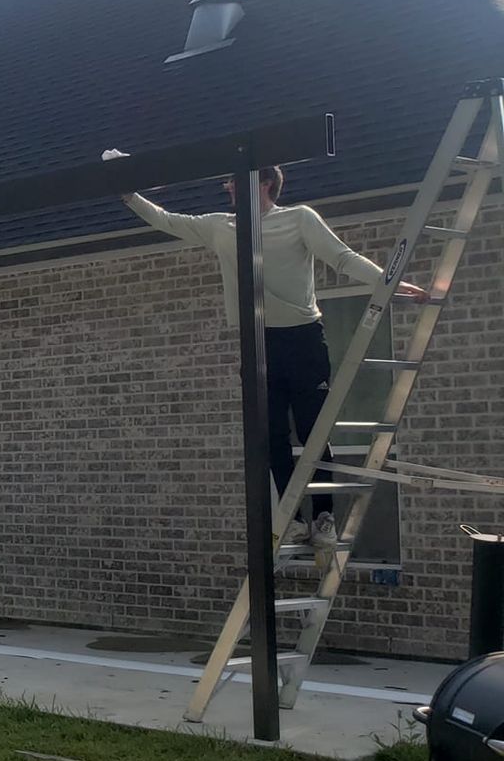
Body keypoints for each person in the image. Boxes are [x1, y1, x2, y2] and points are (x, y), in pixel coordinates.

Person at [121, 165, 424, 550]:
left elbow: (343, 259)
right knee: (272, 437)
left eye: (234, 179)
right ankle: (293, 520)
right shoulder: (221, 226)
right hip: (257, 341)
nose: (227, 185)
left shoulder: (299, 219)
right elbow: (166, 220)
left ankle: (323, 517)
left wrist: (388, 282)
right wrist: (128, 193)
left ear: (264, 183)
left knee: (314, 431)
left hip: (303, 341)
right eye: (227, 179)